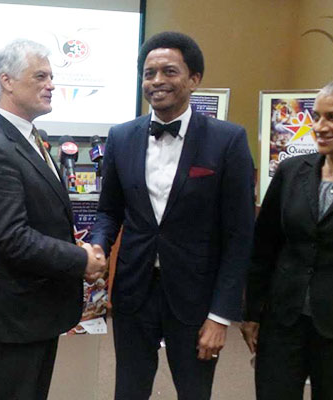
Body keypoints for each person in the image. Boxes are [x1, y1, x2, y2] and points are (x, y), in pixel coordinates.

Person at [89, 31, 255, 399]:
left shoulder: (228, 140)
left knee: (194, 391)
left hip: (196, 296)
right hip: (134, 291)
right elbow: (109, 212)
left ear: (194, 79)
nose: (157, 81)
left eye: (169, 71)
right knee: (128, 390)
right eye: (149, 73)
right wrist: (98, 245)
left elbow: (240, 235)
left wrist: (221, 315)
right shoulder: (121, 137)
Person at [0, 39, 107, 400]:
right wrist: (81, 260)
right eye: (40, 76)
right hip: (13, 317)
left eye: (52, 76)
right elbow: (10, 238)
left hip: (36, 311)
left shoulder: (30, 137)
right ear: (6, 81)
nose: (51, 84)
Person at [242, 79, 333, 400]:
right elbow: (264, 247)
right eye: (316, 116)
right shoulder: (292, 171)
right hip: (282, 323)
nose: (319, 127)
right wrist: (252, 312)